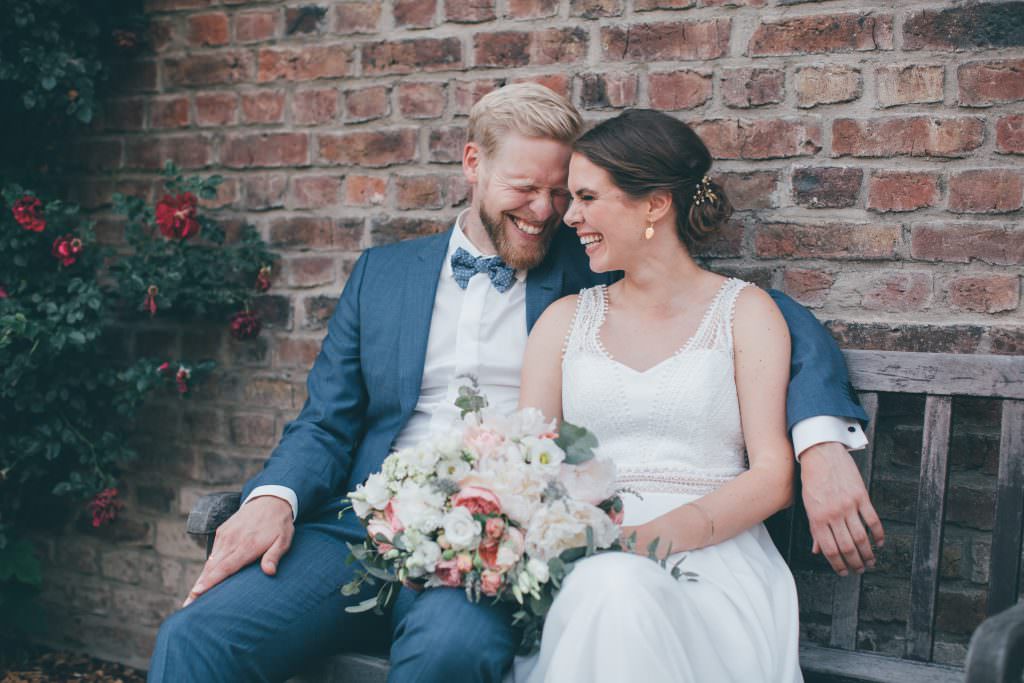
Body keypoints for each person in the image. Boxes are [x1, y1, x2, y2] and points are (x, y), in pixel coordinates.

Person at [149, 85, 880, 682]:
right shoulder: (384, 275)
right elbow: (326, 420)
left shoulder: (585, 263)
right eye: (527, 189)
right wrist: (272, 497)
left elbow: (746, 311)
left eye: (563, 193)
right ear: (473, 164)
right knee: (195, 638)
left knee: (451, 655)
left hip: (493, 547)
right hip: (357, 526)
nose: (546, 212)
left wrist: (819, 443)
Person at [514, 109, 811, 681]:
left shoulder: (743, 312)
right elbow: (528, 465)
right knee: (610, 585)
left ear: (654, 203)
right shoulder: (562, 322)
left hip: (711, 557)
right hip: (587, 554)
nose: (568, 216)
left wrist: (648, 539)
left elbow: (774, 476)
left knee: (620, 584)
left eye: (587, 197)